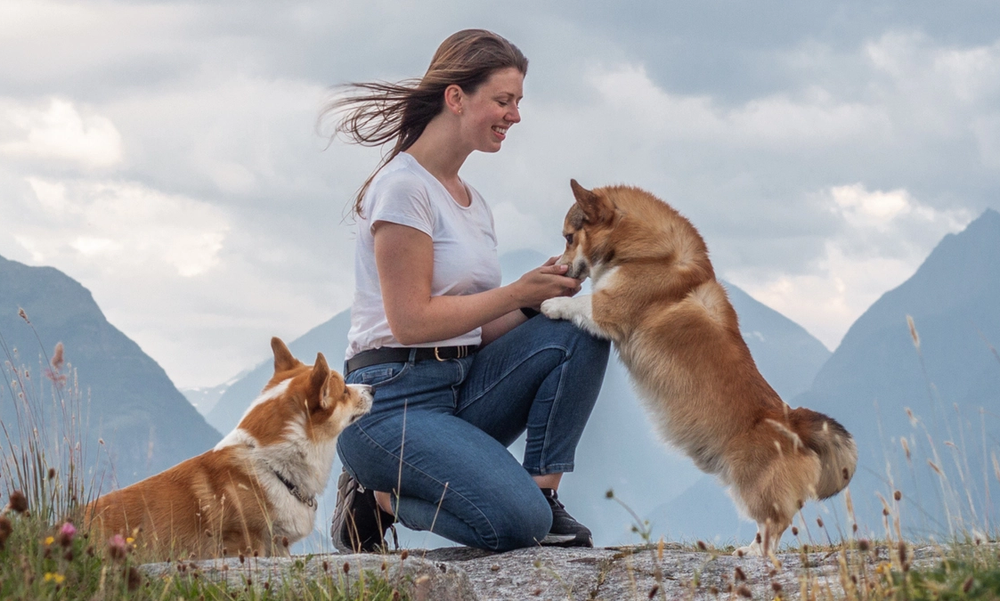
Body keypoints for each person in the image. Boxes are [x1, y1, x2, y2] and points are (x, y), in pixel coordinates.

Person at [326, 29, 610, 553]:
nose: (515, 115)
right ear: (456, 97)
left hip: (461, 385)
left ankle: (543, 493)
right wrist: (515, 292)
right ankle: (378, 498)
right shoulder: (404, 187)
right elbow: (411, 321)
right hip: (388, 405)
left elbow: (473, 329)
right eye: (504, 101)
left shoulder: (473, 202)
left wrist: (537, 300)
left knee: (583, 325)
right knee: (517, 525)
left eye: (518, 102)